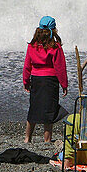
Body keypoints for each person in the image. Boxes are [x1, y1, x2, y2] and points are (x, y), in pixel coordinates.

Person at [23, 16, 68, 144]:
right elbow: (60, 67)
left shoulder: (32, 46)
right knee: (49, 109)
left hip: (36, 79)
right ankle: (47, 139)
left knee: (34, 109)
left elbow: (27, 66)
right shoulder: (55, 47)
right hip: (50, 81)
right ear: (53, 30)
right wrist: (64, 84)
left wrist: (26, 81)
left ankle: (27, 138)